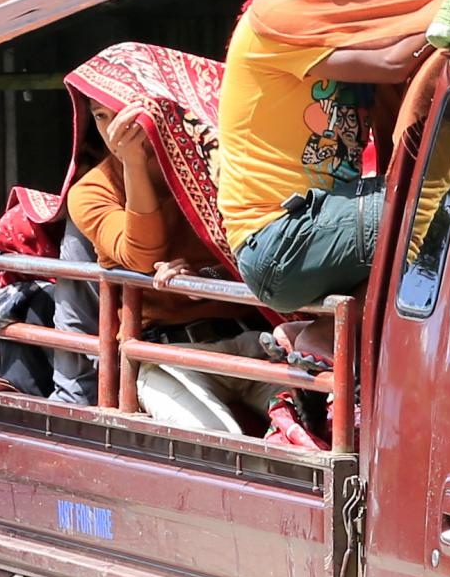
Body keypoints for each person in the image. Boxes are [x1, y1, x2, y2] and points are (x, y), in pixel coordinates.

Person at [219, 0, 444, 313]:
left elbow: (410, 15)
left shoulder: (368, 6)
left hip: (330, 214)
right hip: (278, 239)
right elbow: (389, 62)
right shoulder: (275, 17)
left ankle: (325, 331)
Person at [72, 98, 303, 440]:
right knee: (214, 440)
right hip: (168, 355)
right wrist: (133, 164)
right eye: (101, 116)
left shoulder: (210, 161)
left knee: (320, 427)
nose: (114, 128)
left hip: (252, 340)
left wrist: (204, 278)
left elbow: (257, 256)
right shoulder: (92, 189)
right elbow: (138, 256)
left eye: (123, 112)